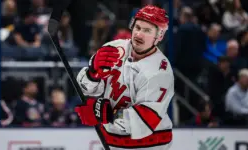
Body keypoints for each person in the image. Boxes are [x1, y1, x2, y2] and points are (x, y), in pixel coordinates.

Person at [74, 5, 174, 150]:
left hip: (150, 145)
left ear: (159, 36)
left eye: (147, 31)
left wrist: (105, 113)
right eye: (137, 27)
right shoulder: (114, 48)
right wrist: (92, 74)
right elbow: (86, 90)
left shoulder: (160, 71)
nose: (139, 34)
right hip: (110, 141)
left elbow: (145, 120)